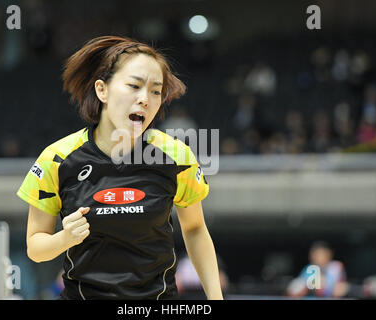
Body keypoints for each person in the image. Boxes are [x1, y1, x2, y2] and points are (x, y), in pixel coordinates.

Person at [17, 35, 223, 300]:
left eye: (156, 91)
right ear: (102, 90)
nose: (145, 99)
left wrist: (215, 297)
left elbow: (195, 229)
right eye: (134, 86)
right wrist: (64, 239)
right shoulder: (57, 159)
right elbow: (35, 246)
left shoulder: (175, 156)